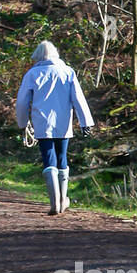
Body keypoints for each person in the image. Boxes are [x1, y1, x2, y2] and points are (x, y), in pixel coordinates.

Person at [16, 41, 95, 216]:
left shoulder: (32, 74)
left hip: (42, 123)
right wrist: (85, 123)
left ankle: (55, 203)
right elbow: (78, 99)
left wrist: (22, 123)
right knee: (62, 158)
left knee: (48, 158)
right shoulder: (67, 72)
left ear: (37, 55)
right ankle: (62, 200)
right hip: (63, 122)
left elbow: (22, 102)